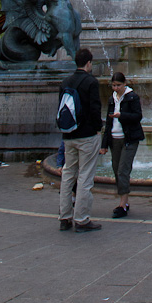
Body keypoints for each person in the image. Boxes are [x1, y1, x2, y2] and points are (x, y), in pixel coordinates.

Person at [58, 48, 103, 232]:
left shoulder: (65, 82)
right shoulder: (91, 82)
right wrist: (98, 128)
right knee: (85, 176)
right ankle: (82, 219)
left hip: (68, 135)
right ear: (88, 63)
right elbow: (95, 109)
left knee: (68, 174)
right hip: (87, 135)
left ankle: (64, 217)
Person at [99, 71, 144, 218]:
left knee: (122, 170)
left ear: (125, 84)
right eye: (113, 85)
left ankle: (122, 205)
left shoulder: (132, 97)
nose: (116, 88)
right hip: (114, 139)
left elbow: (138, 116)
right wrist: (104, 145)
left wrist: (121, 116)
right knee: (116, 169)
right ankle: (125, 200)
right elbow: (108, 122)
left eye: (118, 85)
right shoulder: (112, 99)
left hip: (129, 139)